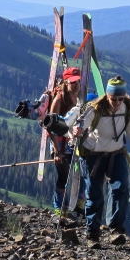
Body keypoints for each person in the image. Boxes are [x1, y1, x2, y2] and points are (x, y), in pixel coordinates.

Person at [66, 75, 130, 242]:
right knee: (94, 193)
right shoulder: (94, 109)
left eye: (121, 98)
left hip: (116, 153)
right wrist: (77, 131)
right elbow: (81, 124)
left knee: (121, 188)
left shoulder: (127, 109)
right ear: (107, 95)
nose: (117, 102)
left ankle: (115, 227)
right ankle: (92, 230)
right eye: (114, 99)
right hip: (93, 155)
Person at [49, 67, 85, 221]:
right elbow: (51, 127)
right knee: (64, 175)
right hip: (61, 144)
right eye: (72, 82)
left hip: (75, 143)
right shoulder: (58, 100)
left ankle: (79, 203)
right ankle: (59, 210)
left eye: (78, 81)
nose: (76, 84)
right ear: (66, 82)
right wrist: (57, 151)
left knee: (82, 173)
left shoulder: (83, 99)